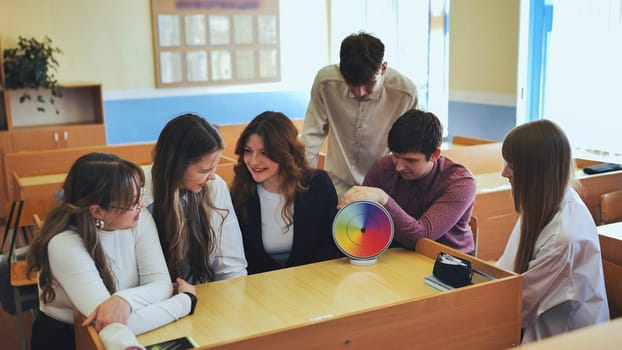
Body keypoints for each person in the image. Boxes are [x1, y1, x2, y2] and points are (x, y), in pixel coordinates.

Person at [26, 153, 196, 350]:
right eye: (132, 202)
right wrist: (186, 301)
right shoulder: (64, 244)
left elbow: (162, 284)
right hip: (68, 340)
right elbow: (112, 325)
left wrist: (123, 300)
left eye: (140, 194)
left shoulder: (138, 219)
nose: (141, 204)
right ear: (97, 211)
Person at [495, 119, 609, 343]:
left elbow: (518, 305)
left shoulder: (563, 235)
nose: (504, 172)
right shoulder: (541, 206)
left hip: (567, 339)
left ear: (535, 172)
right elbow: (507, 270)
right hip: (535, 326)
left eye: (512, 166)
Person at [300, 31, 419, 198]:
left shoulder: (405, 93)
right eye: (351, 84)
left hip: (383, 187)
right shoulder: (326, 82)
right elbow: (311, 136)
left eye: (369, 83)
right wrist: (303, 184)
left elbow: (411, 148)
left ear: (383, 68)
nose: (360, 92)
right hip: (337, 182)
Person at [339, 110, 476, 253]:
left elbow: (422, 238)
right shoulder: (381, 168)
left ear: (435, 155)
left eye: (410, 160)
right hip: (395, 255)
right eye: (396, 156)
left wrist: (383, 198)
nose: (399, 167)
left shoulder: (461, 182)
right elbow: (363, 223)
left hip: (449, 262)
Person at [230, 111, 342, 274]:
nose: (254, 161)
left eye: (264, 153)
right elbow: (243, 259)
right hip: (259, 288)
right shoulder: (241, 192)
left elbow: (330, 247)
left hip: (314, 283)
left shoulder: (318, 184)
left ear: (285, 153)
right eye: (248, 151)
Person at [149, 113, 247, 283]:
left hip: (206, 293)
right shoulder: (138, 196)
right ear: (176, 166)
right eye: (203, 171)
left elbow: (231, 265)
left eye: (214, 168)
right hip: (153, 298)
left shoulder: (215, 186)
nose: (212, 177)